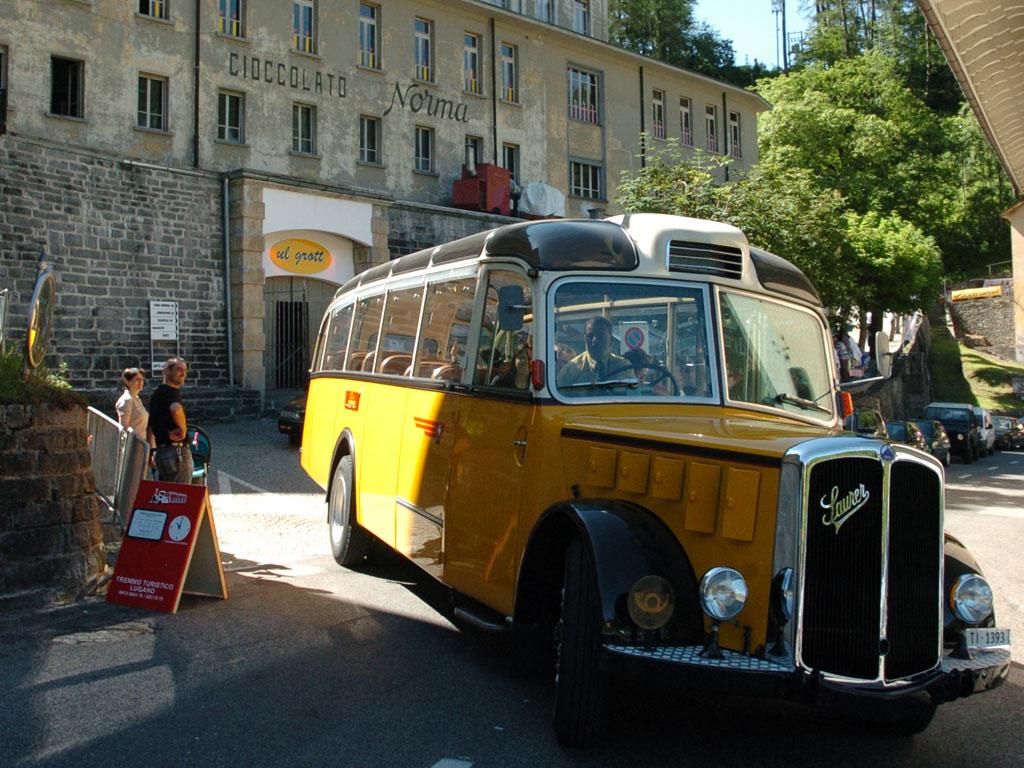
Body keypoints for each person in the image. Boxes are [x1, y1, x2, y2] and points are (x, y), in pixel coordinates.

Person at [147, 356, 194, 484]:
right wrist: (183, 430)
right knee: (181, 493)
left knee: (167, 494)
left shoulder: (156, 394)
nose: (183, 374)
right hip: (177, 453)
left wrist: (150, 453)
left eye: (185, 370)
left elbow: (150, 427)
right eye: (179, 370)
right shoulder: (171, 392)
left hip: (161, 454)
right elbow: (176, 409)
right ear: (167, 371)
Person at [556, 316, 630, 388]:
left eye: (600, 336)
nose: (595, 340)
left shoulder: (623, 367)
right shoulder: (570, 371)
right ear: (584, 339)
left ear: (611, 340)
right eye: (590, 336)